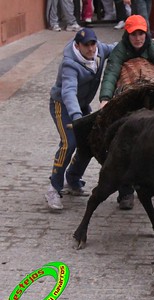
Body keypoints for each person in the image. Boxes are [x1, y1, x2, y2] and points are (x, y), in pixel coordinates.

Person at [99, 14, 154, 209]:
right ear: (127, 35)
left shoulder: (153, 49)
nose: (138, 38)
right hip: (127, 100)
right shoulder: (120, 51)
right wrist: (105, 98)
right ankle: (125, 191)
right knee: (123, 142)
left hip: (151, 98)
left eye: (141, 33)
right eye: (133, 34)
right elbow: (111, 72)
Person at [45, 28, 115, 210]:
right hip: (62, 105)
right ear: (77, 46)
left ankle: (73, 179)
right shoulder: (69, 64)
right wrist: (77, 118)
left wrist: (145, 43)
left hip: (82, 104)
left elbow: (116, 47)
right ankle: (53, 187)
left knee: (90, 141)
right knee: (69, 143)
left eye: (93, 44)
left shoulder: (100, 49)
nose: (91, 49)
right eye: (86, 46)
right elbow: (68, 92)